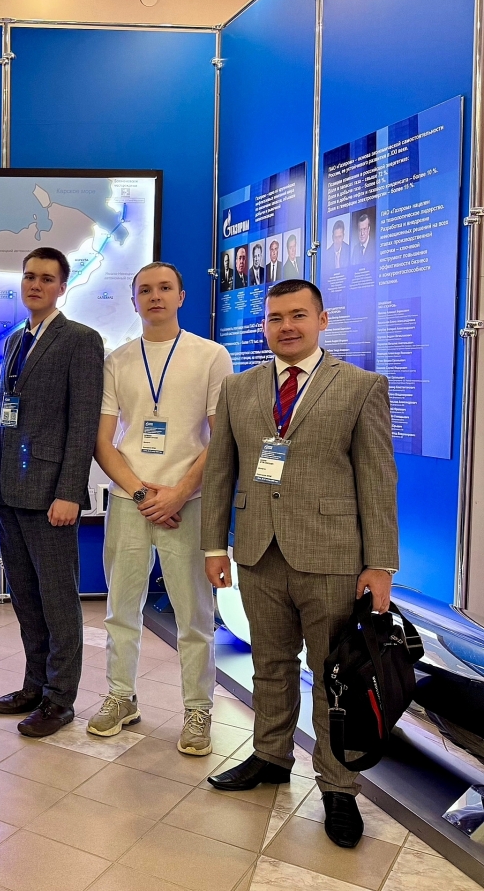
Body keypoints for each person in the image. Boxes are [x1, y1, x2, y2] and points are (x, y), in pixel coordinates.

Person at [202, 278, 398, 849]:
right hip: (258, 552)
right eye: (275, 318)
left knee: (335, 677)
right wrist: (215, 546)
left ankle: (338, 787)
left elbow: (377, 480)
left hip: (332, 555)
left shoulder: (360, 386)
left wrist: (380, 564)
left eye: (298, 315)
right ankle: (270, 755)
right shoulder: (238, 388)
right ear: (264, 325)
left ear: (321, 320)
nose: (286, 326)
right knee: (270, 665)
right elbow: (220, 471)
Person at [90, 262, 232, 755]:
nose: (155, 296)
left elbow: (220, 438)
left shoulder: (211, 356)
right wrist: (143, 495)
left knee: (194, 615)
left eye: (165, 288)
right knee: (121, 609)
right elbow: (103, 442)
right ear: (133, 301)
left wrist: (178, 493)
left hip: (187, 502)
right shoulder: (117, 360)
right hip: (129, 501)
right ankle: (120, 697)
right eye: (145, 290)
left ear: (181, 296)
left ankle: (198, 709)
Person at [0, 247, 105, 738]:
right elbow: (1, 414)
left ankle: (59, 699)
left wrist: (70, 491)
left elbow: (83, 422)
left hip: (52, 494)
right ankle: (34, 685)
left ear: (62, 287)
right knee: (26, 597)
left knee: (57, 600)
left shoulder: (81, 340)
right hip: (9, 490)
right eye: (30, 276)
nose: (36, 284)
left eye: (47, 278)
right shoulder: (16, 340)